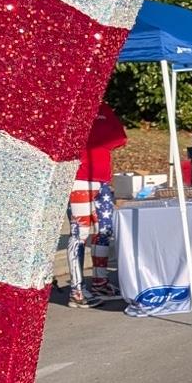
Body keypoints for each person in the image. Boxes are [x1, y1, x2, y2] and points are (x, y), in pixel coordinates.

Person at [66, 101, 127, 307]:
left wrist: (95, 138)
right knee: (80, 233)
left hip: (102, 180)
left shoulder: (104, 108)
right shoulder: (74, 105)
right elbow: (71, 139)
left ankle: (100, 282)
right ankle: (77, 291)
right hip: (79, 179)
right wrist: (99, 137)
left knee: (105, 230)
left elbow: (119, 137)